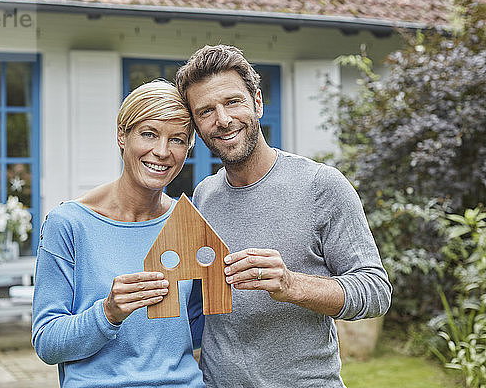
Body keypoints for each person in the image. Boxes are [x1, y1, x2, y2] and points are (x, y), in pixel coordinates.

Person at [175, 45, 392, 387]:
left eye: (233, 102)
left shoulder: (321, 185)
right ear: (196, 127)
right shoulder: (204, 195)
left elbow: (375, 291)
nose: (223, 119)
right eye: (206, 111)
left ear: (257, 103)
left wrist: (291, 284)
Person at [31, 80, 205, 388]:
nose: (162, 152)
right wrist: (108, 312)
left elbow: (196, 327)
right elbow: (47, 343)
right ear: (122, 135)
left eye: (177, 139)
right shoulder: (68, 223)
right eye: (149, 134)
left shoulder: (188, 221)